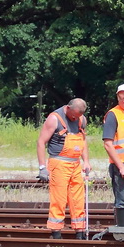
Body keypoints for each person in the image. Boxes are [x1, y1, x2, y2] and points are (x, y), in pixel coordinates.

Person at [36, 98, 91, 239]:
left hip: (75, 164)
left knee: (78, 198)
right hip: (58, 163)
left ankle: (80, 231)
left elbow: (83, 141)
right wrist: (42, 167)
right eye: (73, 116)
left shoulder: (81, 119)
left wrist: (86, 161)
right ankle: (56, 232)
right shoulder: (54, 119)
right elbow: (41, 142)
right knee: (59, 199)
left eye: (78, 116)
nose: (75, 119)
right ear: (67, 108)